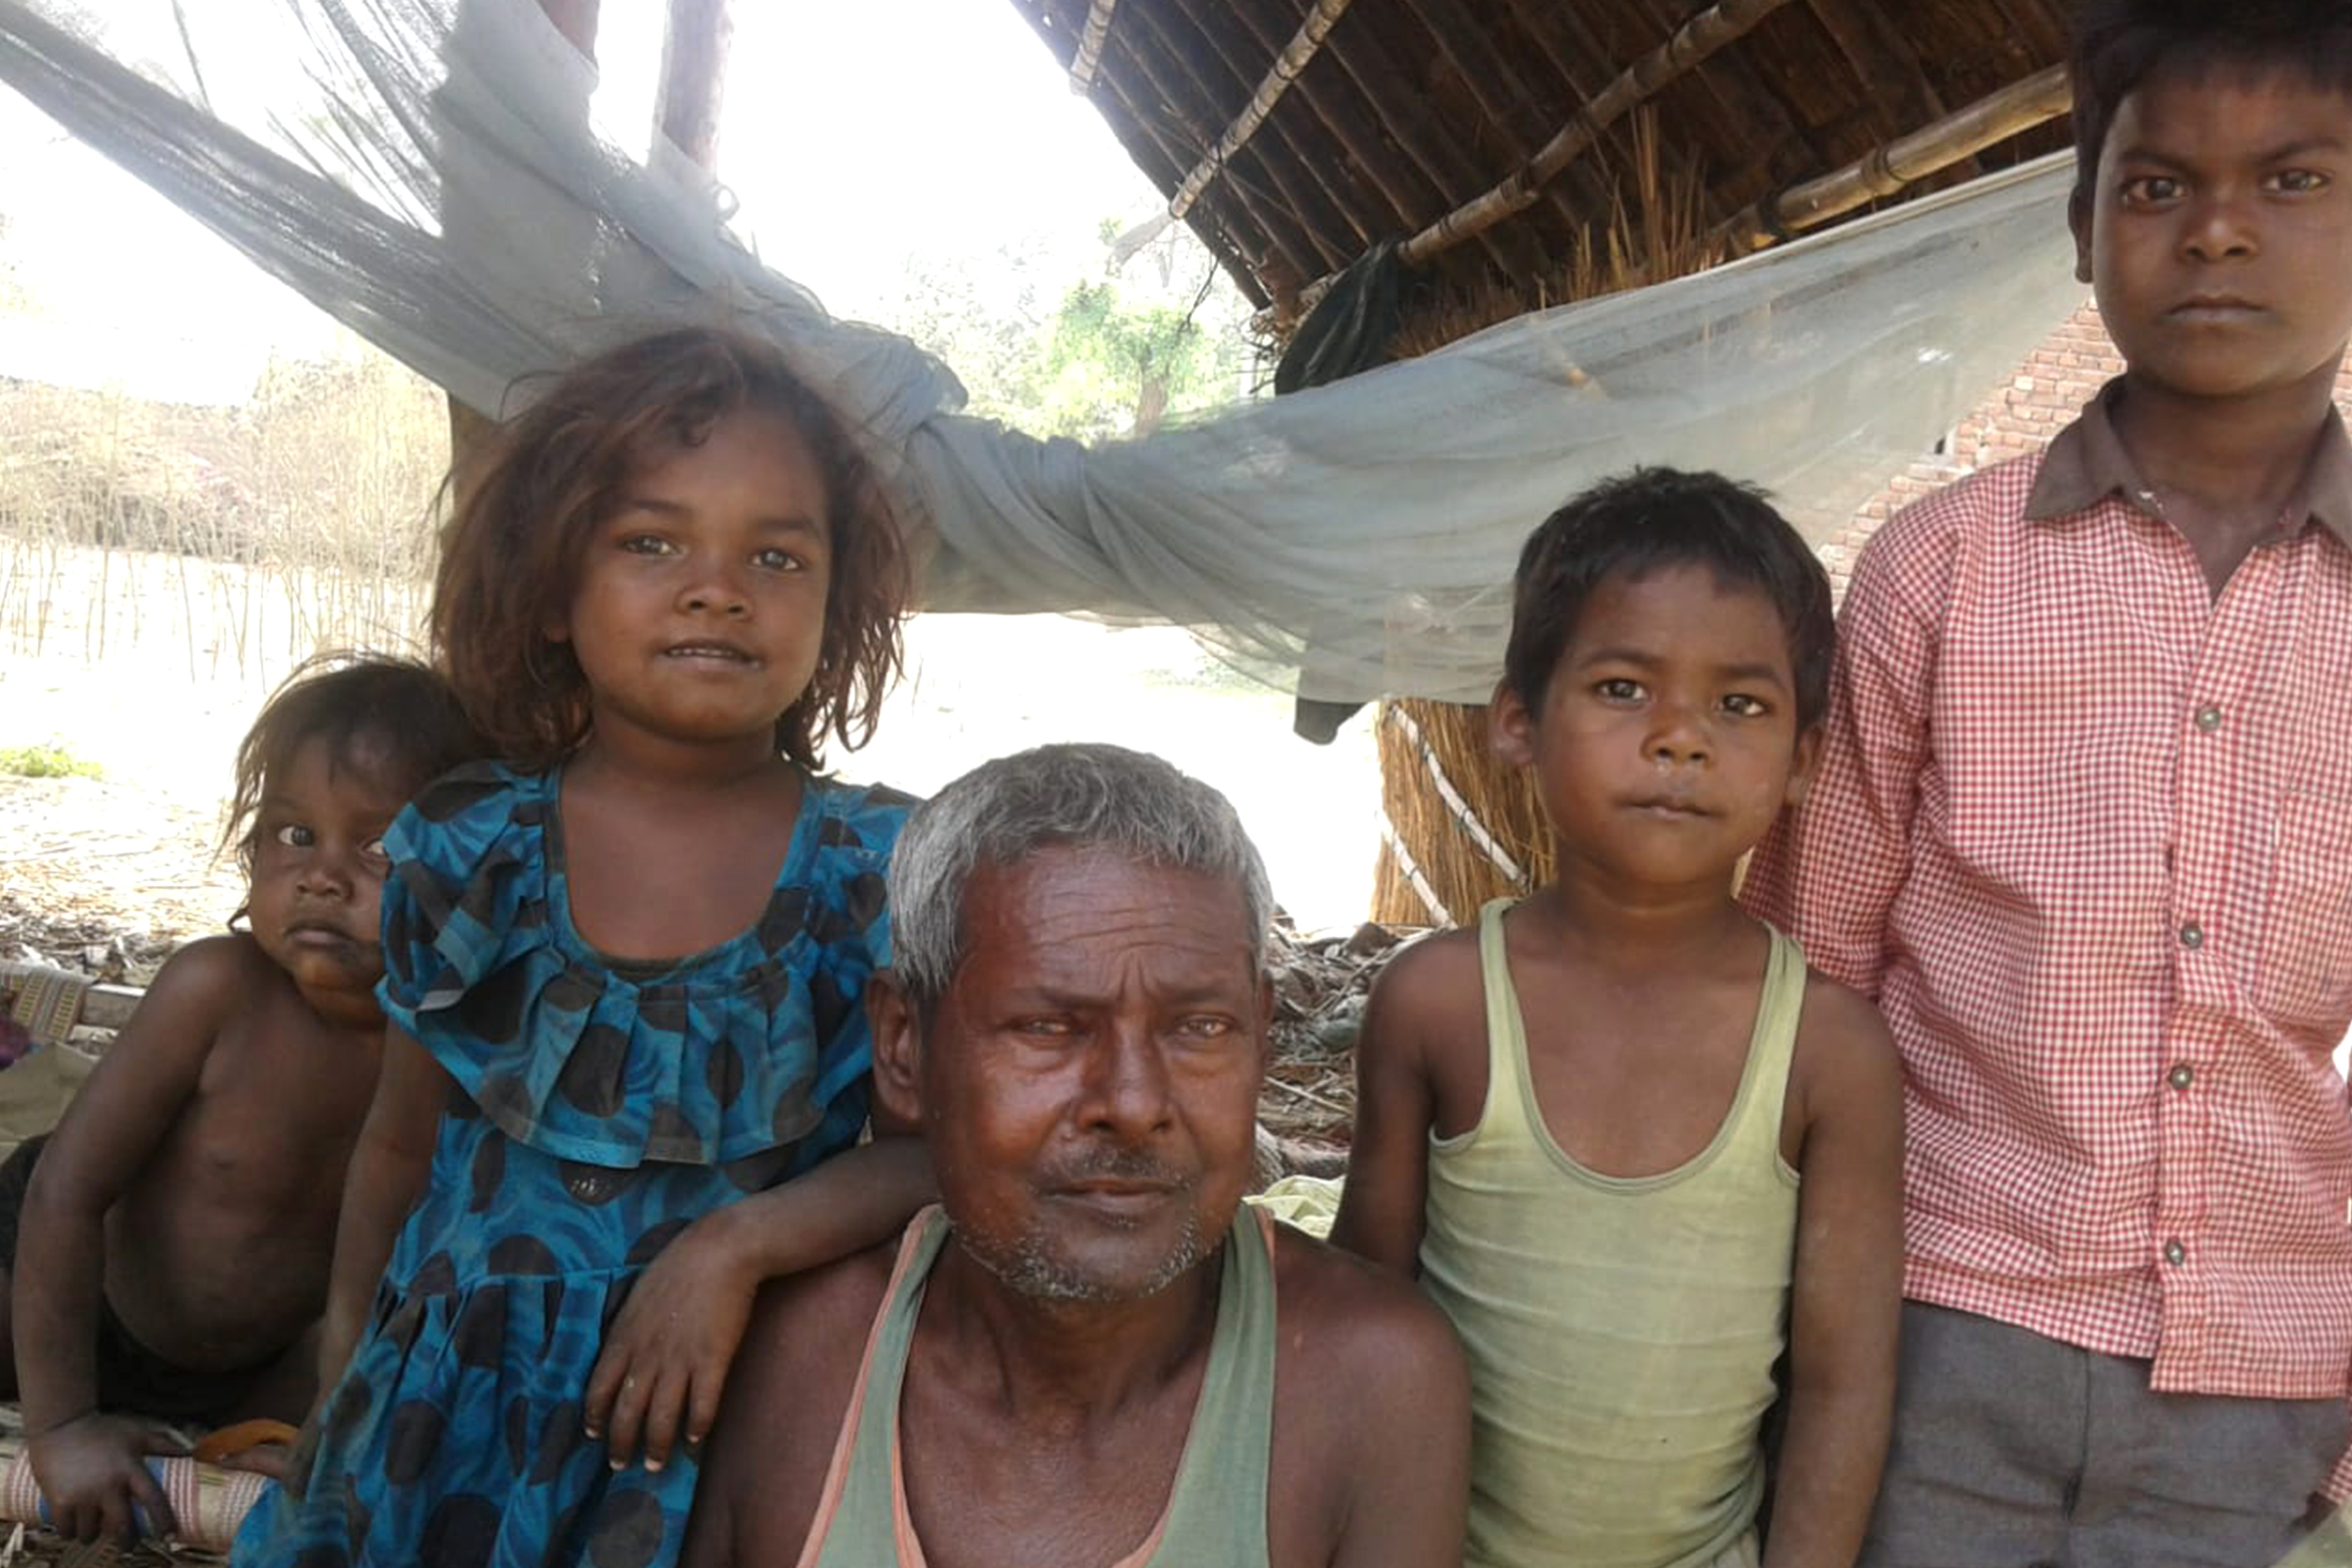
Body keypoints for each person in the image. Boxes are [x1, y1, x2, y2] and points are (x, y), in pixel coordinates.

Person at [1741, 4, 2352, 1562]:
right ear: (2081, 228)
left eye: (2291, 180)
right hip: (1928, 1331)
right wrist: (1795, 1333)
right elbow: (1808, 981)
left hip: (2266, 1377)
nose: (2216, 231)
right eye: (2154, 186)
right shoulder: (1937, 570)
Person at [233, 327, 932, 1568]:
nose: (718, 588)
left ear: (837, 609)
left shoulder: (879, 872)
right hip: (439, 1424)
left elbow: (937, 1155)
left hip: (711, 1437)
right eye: (652, 542)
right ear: (554, 591)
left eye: (777, 555)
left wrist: (738, 1244)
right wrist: (342, 1370)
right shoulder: (470, 845)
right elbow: (400, 1142)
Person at [683, 743, 1472, 1568]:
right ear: (904, 1044)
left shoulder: (1369, 1380)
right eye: (1047, 1027)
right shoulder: (808, 1355)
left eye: (1200, 1027)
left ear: (1260, 1035)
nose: (1131, 1105)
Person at [1332, 470, 1904, 1568]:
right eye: (1623, 688)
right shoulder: (1439, 1002)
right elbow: (1357, 1313)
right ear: (1517, 720)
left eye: (1740, 706)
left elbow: (1841, 1384)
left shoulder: (1827, 1052)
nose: (1680, 739)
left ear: (1803, 760)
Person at [0, 655, 481, 1545]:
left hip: (253, 1362)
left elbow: (377, 1271)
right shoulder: (213, 990)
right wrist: (60, 1424)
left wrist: (331, 1424)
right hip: (66, 1285)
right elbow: (64, 1193)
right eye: (293, 834)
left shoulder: (450, 1055)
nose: (322, 877)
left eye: (379, 848)